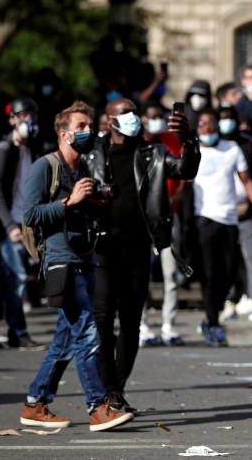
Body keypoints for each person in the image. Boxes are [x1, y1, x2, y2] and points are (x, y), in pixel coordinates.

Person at [19, 101, 134, 432]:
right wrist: (69, 201)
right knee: (86, 332)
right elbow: (30, 214)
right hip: (61, 261)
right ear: (63, 133)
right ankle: (97, 406)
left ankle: (35, 404)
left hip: (84, 258)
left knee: (66, 340)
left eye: (89, 126)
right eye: (81, 126)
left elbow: (79, 212)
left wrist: (94, 204)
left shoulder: (81, 169)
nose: (88, 131)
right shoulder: (45, 166)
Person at [86, 98, 199, 413]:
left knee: (131, 321)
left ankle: (116, 391)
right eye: (125, 114)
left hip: (138, 247)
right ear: (110, 120)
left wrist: (189, 140)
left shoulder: (153, 152)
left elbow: (186, 169)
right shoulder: (93, 152)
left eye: (134, 113)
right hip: (103, 246)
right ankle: (107, 388)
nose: (133, 118)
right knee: (102, 319)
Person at [0, 98, 46, 350]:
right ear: (12, 119)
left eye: (32, 115)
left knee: (5, 278)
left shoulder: (31, 149)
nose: (29, 121)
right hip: (8, 223)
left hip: (26, 222)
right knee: (18, 276)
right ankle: (18, 332)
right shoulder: (4, 148)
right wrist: (9, 226)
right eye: (24, 115)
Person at [192, 108, 252, 347]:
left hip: (230, 219)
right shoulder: (193, 150)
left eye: (211, 123)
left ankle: (214, 313)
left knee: (229, 272)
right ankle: (212, 322)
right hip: (203, 218)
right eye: (203, 124)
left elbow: (246, 180)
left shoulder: (231, 149)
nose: (208, 128)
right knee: (209, 274)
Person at [138, 103, 186, 347]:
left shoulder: (171, 141)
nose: (157, 120)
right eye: (152, 116)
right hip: (141, 218)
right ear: (143, 119)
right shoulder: (135, 144)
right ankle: (141, 324)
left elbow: (183, 176)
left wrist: (169, 200)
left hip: (167, 215)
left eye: (160, 116)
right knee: (139, 273)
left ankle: (168, 324)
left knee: (170, 273)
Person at [219, 106, 252, 322]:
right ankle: (228, 299)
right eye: (222, 118)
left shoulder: (247, 144)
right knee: (226, 259)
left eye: (230, 118)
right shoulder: (214, 146)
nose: (226, 122)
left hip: (245, 209)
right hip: (221, 211)